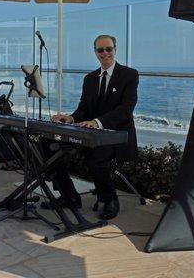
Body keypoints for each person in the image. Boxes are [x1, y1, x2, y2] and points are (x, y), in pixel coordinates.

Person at [45, 34, 139, 220]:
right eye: (100, 50)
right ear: (95, 52)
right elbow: (83, 109)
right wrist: (70, 118)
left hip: (118, 135)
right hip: (91, 134)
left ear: (115, 49)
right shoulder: (89, 79)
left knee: (96, 156)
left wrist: (97, 122)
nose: (105, 53)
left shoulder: (129, 75)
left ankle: (109, 199)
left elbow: (125, 110)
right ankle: (69, 195)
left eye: (108, 49)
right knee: (48, 145)